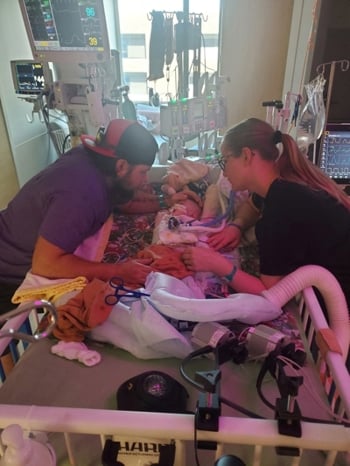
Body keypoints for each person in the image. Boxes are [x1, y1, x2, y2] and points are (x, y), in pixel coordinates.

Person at [0, 119, 172, 314]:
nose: (145, 180)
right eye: (143, 172)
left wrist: (164, 201)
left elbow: (123, 200)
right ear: (122, 166)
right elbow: (45, 264)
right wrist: (118, 271)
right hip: (7, 273)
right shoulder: (82, 193)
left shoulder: (95, 161)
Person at [181, 117, 350, 310]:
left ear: (246, 155)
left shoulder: (281, 209)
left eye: (224, 161)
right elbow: (253, 205)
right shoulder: (282, 182)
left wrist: (215, 263)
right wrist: (237, 226)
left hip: (340, 307)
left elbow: (271, 293)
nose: (224, 171)